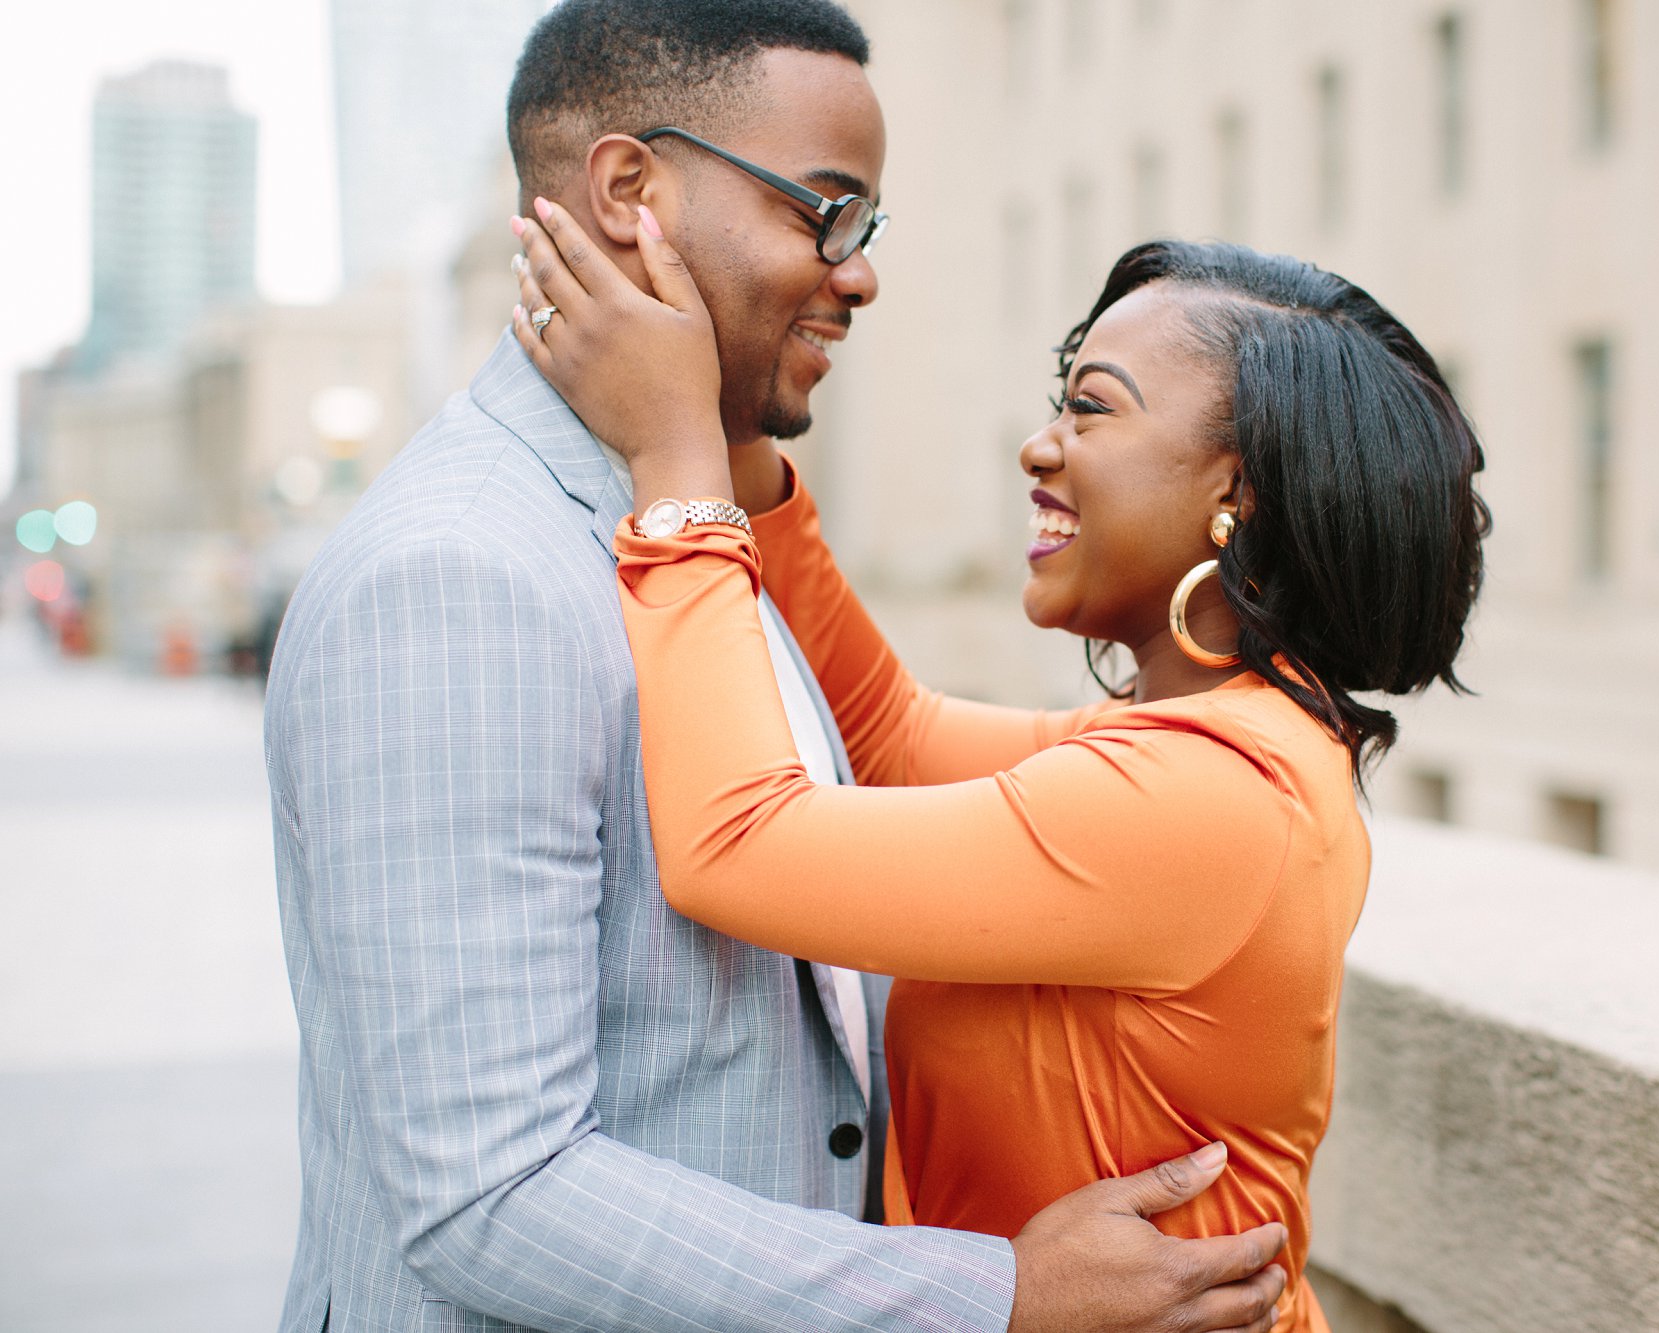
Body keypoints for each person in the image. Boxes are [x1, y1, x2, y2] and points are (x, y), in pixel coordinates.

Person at [264, 1, 1289, 1329]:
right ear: (628, 194)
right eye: (826, 211)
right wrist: (991, 1297)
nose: (857, 275)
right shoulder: (461, 577)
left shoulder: (675, 520)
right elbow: (490, 1193)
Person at [504, 194, 1491, 1329]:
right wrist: (735, 423)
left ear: (1236, 493)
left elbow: (733, 842)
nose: (1041, 444)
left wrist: (676, 465)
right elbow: (888, 739)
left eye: (1091, 407)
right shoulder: (1218, 742)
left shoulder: (1213, 795)